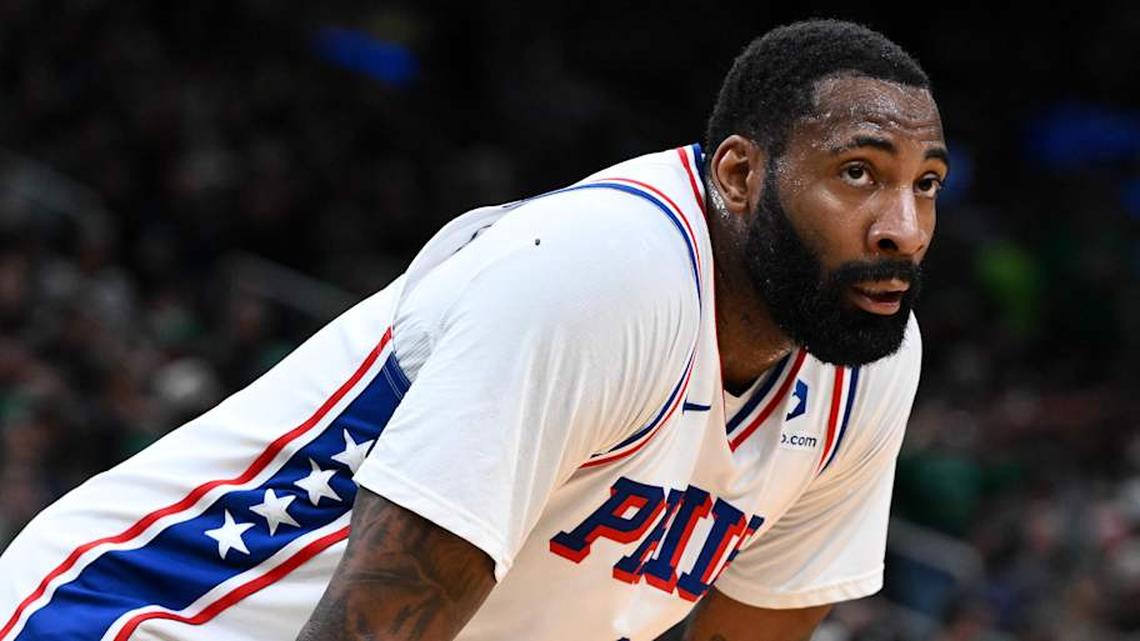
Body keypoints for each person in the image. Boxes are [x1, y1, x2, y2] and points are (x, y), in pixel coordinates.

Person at [0, 18, 949, 641]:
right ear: (739, 175)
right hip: (132, 618)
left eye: (927, 184)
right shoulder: (605, 273)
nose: (902, 226)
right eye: (858, 173)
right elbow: (370, 629)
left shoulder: (866, 356)